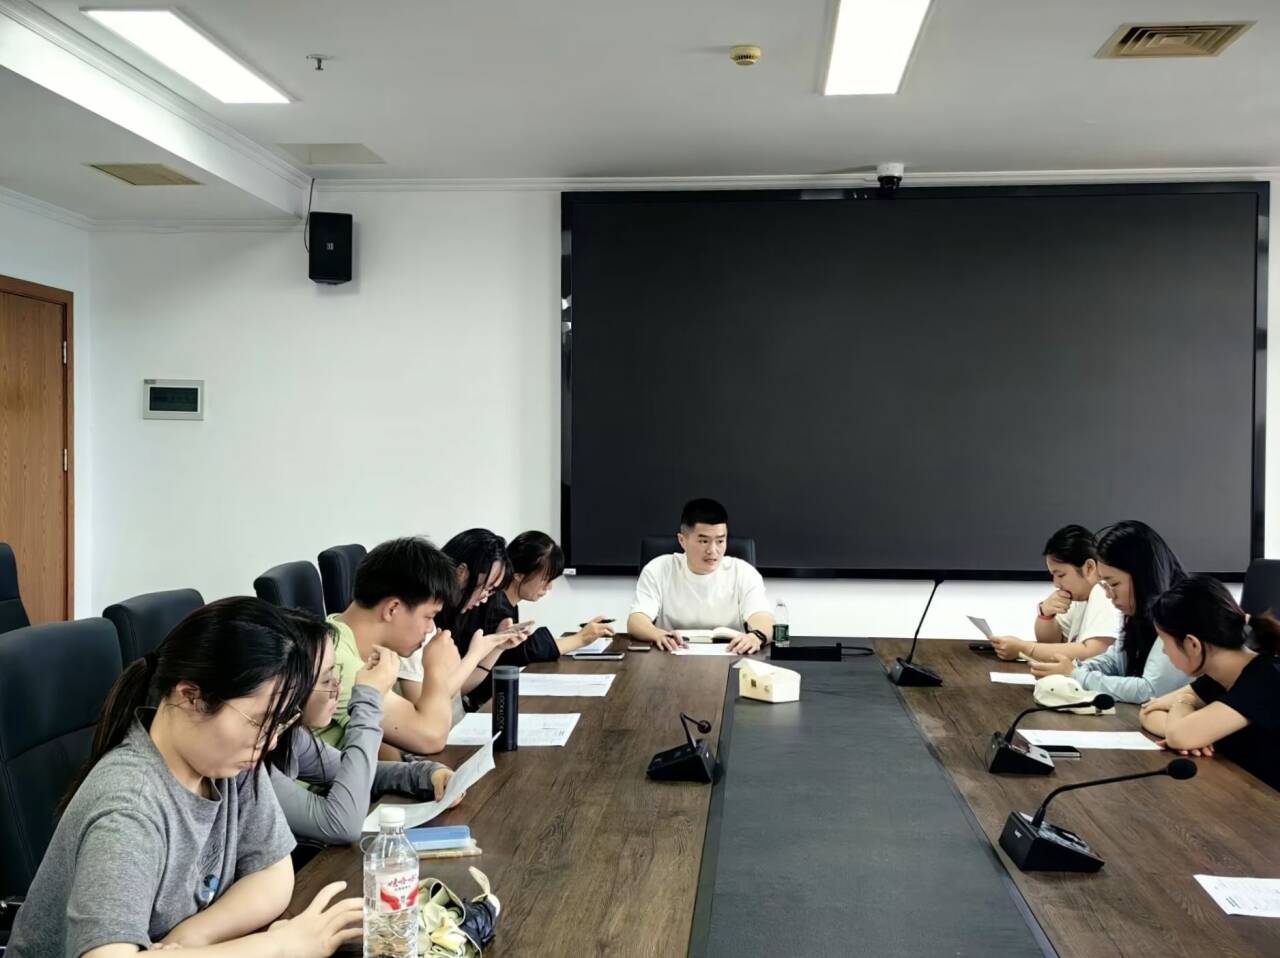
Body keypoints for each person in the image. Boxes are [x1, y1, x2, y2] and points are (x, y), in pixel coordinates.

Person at [6, 597, 364, 957]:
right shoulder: (129, 807)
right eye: (260, 722)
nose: (270, 742)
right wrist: (277, 946)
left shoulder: (230, 762)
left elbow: (273, 872)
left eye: (280, 723)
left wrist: (192, 937)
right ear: (191, 697)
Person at [270, 619, 457, 845]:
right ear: (290, 687)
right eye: (327, 679)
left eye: (337, 674)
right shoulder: (253, 764)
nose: (338, 688)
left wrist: (426, 774)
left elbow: (359, 773)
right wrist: (368, 699)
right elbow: (342, 824)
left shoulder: (293, 737)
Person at [317, 536, 502, 756]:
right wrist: (435, 666)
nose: (430, 628)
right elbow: (431, 737)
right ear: (392, 609)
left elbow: (386, 741)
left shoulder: (345, 636)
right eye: (428, 616)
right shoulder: (338, 665)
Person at [1140, 575, 1280, 789]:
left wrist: (1184, 705)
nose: (1164, 651)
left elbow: (1180, 735)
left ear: (1192, 644)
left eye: (1165, 642)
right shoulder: (1218, 676)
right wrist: (1190, 731)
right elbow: (1149, 711)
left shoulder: (1266, 680)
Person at [1029, 520, 1186, 703]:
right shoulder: (1137, 612)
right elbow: (1115, 662)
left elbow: (1150, 690)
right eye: (1105, 585)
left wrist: (1076, 675)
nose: (1109, 594)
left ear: (1142, 576)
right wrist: (1076, 669)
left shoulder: (1181, 611)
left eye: (1114, 584)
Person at [398, 529, 527, 711]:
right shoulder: (416, 622)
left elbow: (456, 691)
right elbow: (424, 707)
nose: (485, 598)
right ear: (462, 572)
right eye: (486, 587)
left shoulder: (439, 619)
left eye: (491, 591)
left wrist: (497, 647)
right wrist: (475, 654)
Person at [627, 498, 773, 654]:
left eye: (720, 541)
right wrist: (657, 634)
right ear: (682, 541)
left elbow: (764, 618)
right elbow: (636, 620)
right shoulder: (658, 569)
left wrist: (756, 636)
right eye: (704, 541)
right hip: (671, 655)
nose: (713, 550)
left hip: (731, 655)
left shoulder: (743, 572)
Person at [990, 524, 1120, 663]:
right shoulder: (1081, 597)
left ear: (1089, 567)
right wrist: (1045, 614)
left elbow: (1095, 652)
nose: (1056, 584)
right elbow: (1052, 642)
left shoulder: (1103, 591)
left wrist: (1024, 649)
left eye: (1061, 575)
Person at [481, 530, 614, 663]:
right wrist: (581, 638)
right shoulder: (495, 606)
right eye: (546, 579)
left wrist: (581, 637)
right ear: (519, 575)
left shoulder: (506, 602)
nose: (549, 587)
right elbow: (514, 654)